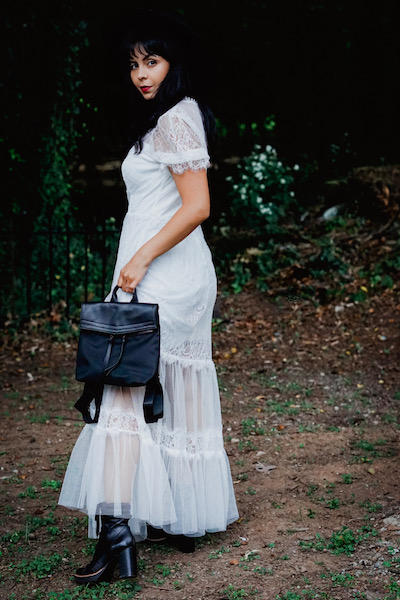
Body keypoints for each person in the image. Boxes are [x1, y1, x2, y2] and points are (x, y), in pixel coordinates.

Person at [58, 8, 239, 584]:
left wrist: (137, 260)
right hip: (166, 274)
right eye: (134, 63)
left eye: (152, 61)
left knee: (123, 393)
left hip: (162, 275)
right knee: (161, 388)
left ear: (174, 64)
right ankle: (174, 516)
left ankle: (117, 538)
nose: (141, 73)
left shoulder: (175, 121)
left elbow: (198, 206)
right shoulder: (165, 118)